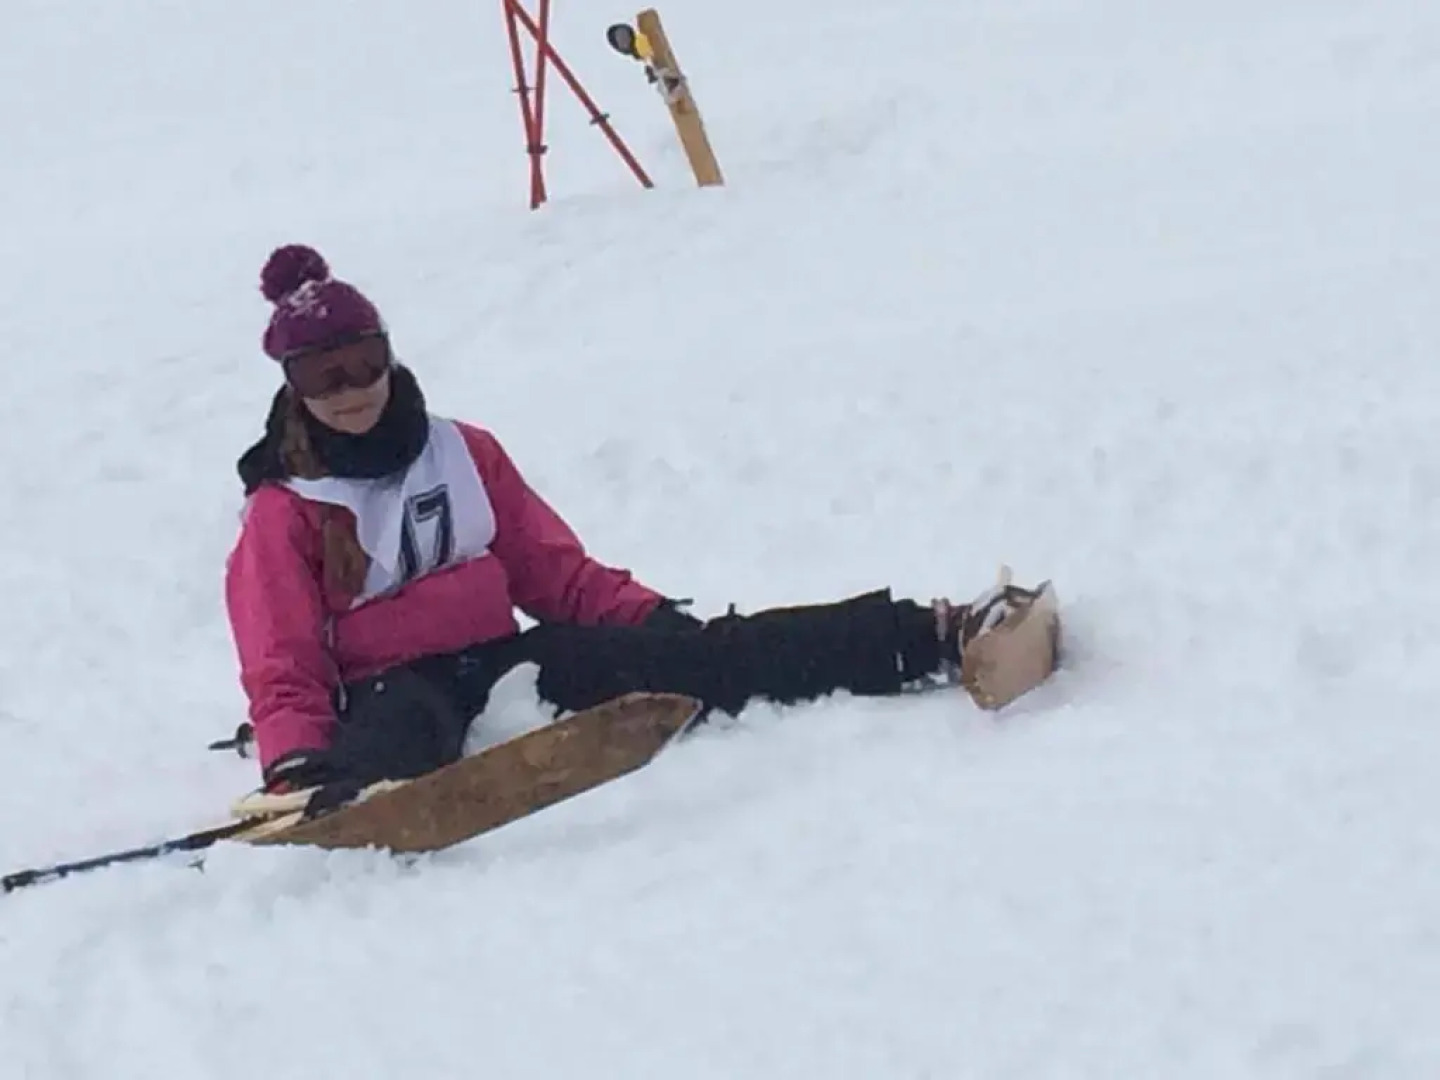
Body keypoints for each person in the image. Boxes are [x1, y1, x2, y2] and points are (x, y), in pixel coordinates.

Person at [224, 244, 1051, 800]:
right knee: (403, 737)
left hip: (504, 662)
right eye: (325, 376)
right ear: (295, 387)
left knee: (713, 659)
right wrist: (295, 757)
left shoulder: (461, 450)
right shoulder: (285, 510)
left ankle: (931, 636)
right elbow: (281, 658)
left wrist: (652, 622)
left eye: (366, 363)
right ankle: (343, 795)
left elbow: (552, 573)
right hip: (393, 689)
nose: (352, 390)